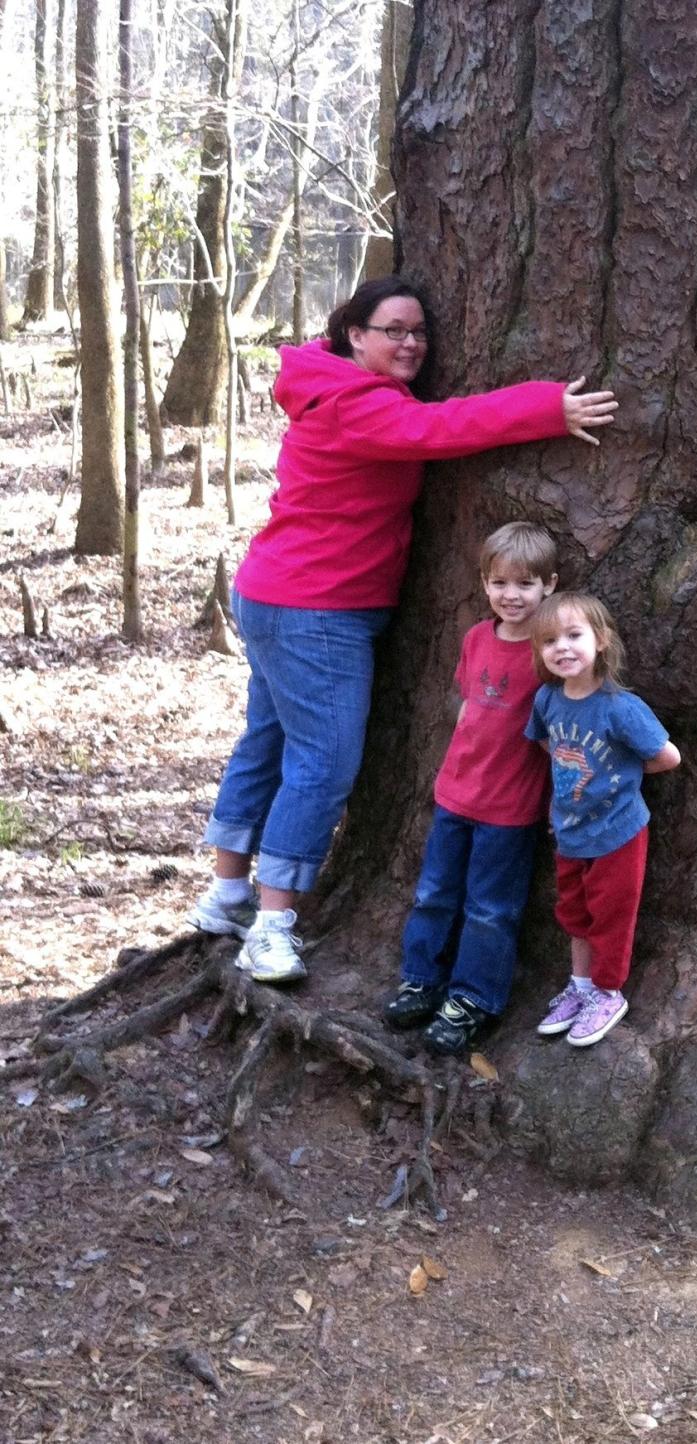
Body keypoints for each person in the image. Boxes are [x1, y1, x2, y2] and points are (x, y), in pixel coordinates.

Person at [187, 276, 618, 984]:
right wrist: (549, 407)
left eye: (419, 331)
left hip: (276, 593)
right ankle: (270, 925)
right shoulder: (358, 407)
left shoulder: (330, 387)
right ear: (354, 335)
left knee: (266, 743)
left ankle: (227, 894)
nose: (412, 343)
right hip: (314, 609)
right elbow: (444, 429)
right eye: (394, 329)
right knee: (322, 764)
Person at [383, 521, 559, 1054]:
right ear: (484, 584)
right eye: (501, 583)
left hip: (511, 808)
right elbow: (469, 704)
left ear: (549, 586)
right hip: (455, 795)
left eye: (526, 584)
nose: (512, 595)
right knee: (435, 893)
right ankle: (421, 979)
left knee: (490, 908)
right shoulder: (476, 638)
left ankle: (473, 998)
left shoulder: (549, 650)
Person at [525, 592, 681, 1046]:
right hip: (570, 833)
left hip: (617, 834)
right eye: (550, 640)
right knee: (574, 913)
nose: (563, 647)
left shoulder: (620, 707)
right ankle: (581, 986)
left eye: (574, 635)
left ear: (601, 639)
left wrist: (626, 776)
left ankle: (609, 992)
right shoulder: (547, 700)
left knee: (610, 916)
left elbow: (668, 757)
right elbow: (545, 745)